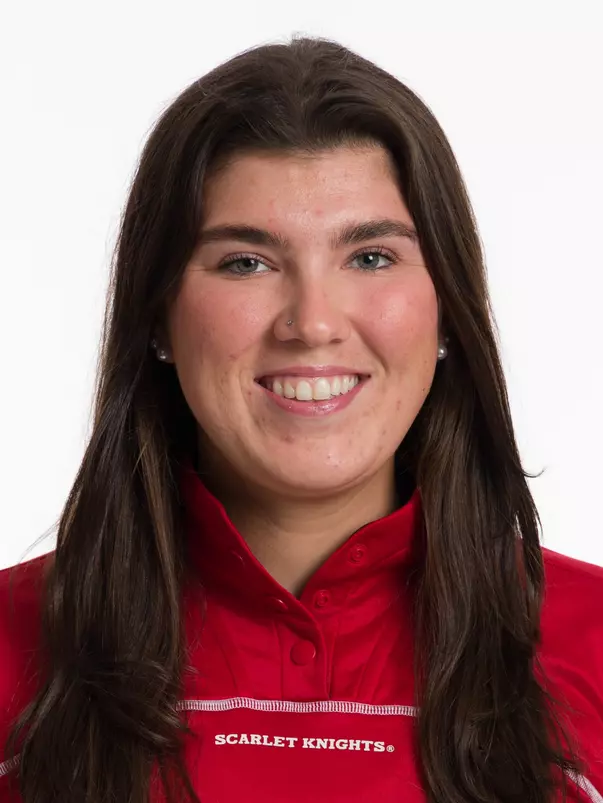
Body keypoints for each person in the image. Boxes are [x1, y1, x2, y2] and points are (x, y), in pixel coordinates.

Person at [0, 34, 601, 803]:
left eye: (371, 257)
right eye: (245, 262)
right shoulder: (13, 645)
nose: (312, 323)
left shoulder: (594, 643)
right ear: (156, 318)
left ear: (447, 308)